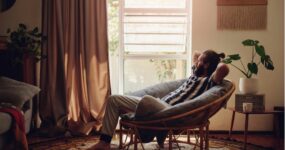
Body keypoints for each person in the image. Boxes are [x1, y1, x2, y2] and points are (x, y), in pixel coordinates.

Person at [90, 50, 229, 149]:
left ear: (206, 65)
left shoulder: (209, 80)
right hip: (160, 105)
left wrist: (215, 61)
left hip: (169, 110)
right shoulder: (194, 75)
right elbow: (196, 54)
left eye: (200, 62)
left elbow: (224, 68)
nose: (196, 62)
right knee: (115, 102)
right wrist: (203, 59)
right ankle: (105, 142)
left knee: (117, 99)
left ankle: (104, 143)